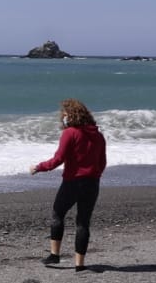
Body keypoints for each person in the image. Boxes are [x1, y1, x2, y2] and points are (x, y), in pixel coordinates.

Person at [29, 98, 107, 272]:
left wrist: (38, 167)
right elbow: (102, 163)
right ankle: (80, 264)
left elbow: (58, 159)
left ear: (69, 115)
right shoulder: (98, 135)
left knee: (58, 214)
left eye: (64, 114)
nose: (62, 117)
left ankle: (55, 255)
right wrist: (94, 176)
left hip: (72, 182)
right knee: (83, 223)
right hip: (92, 183)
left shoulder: (70, 133)